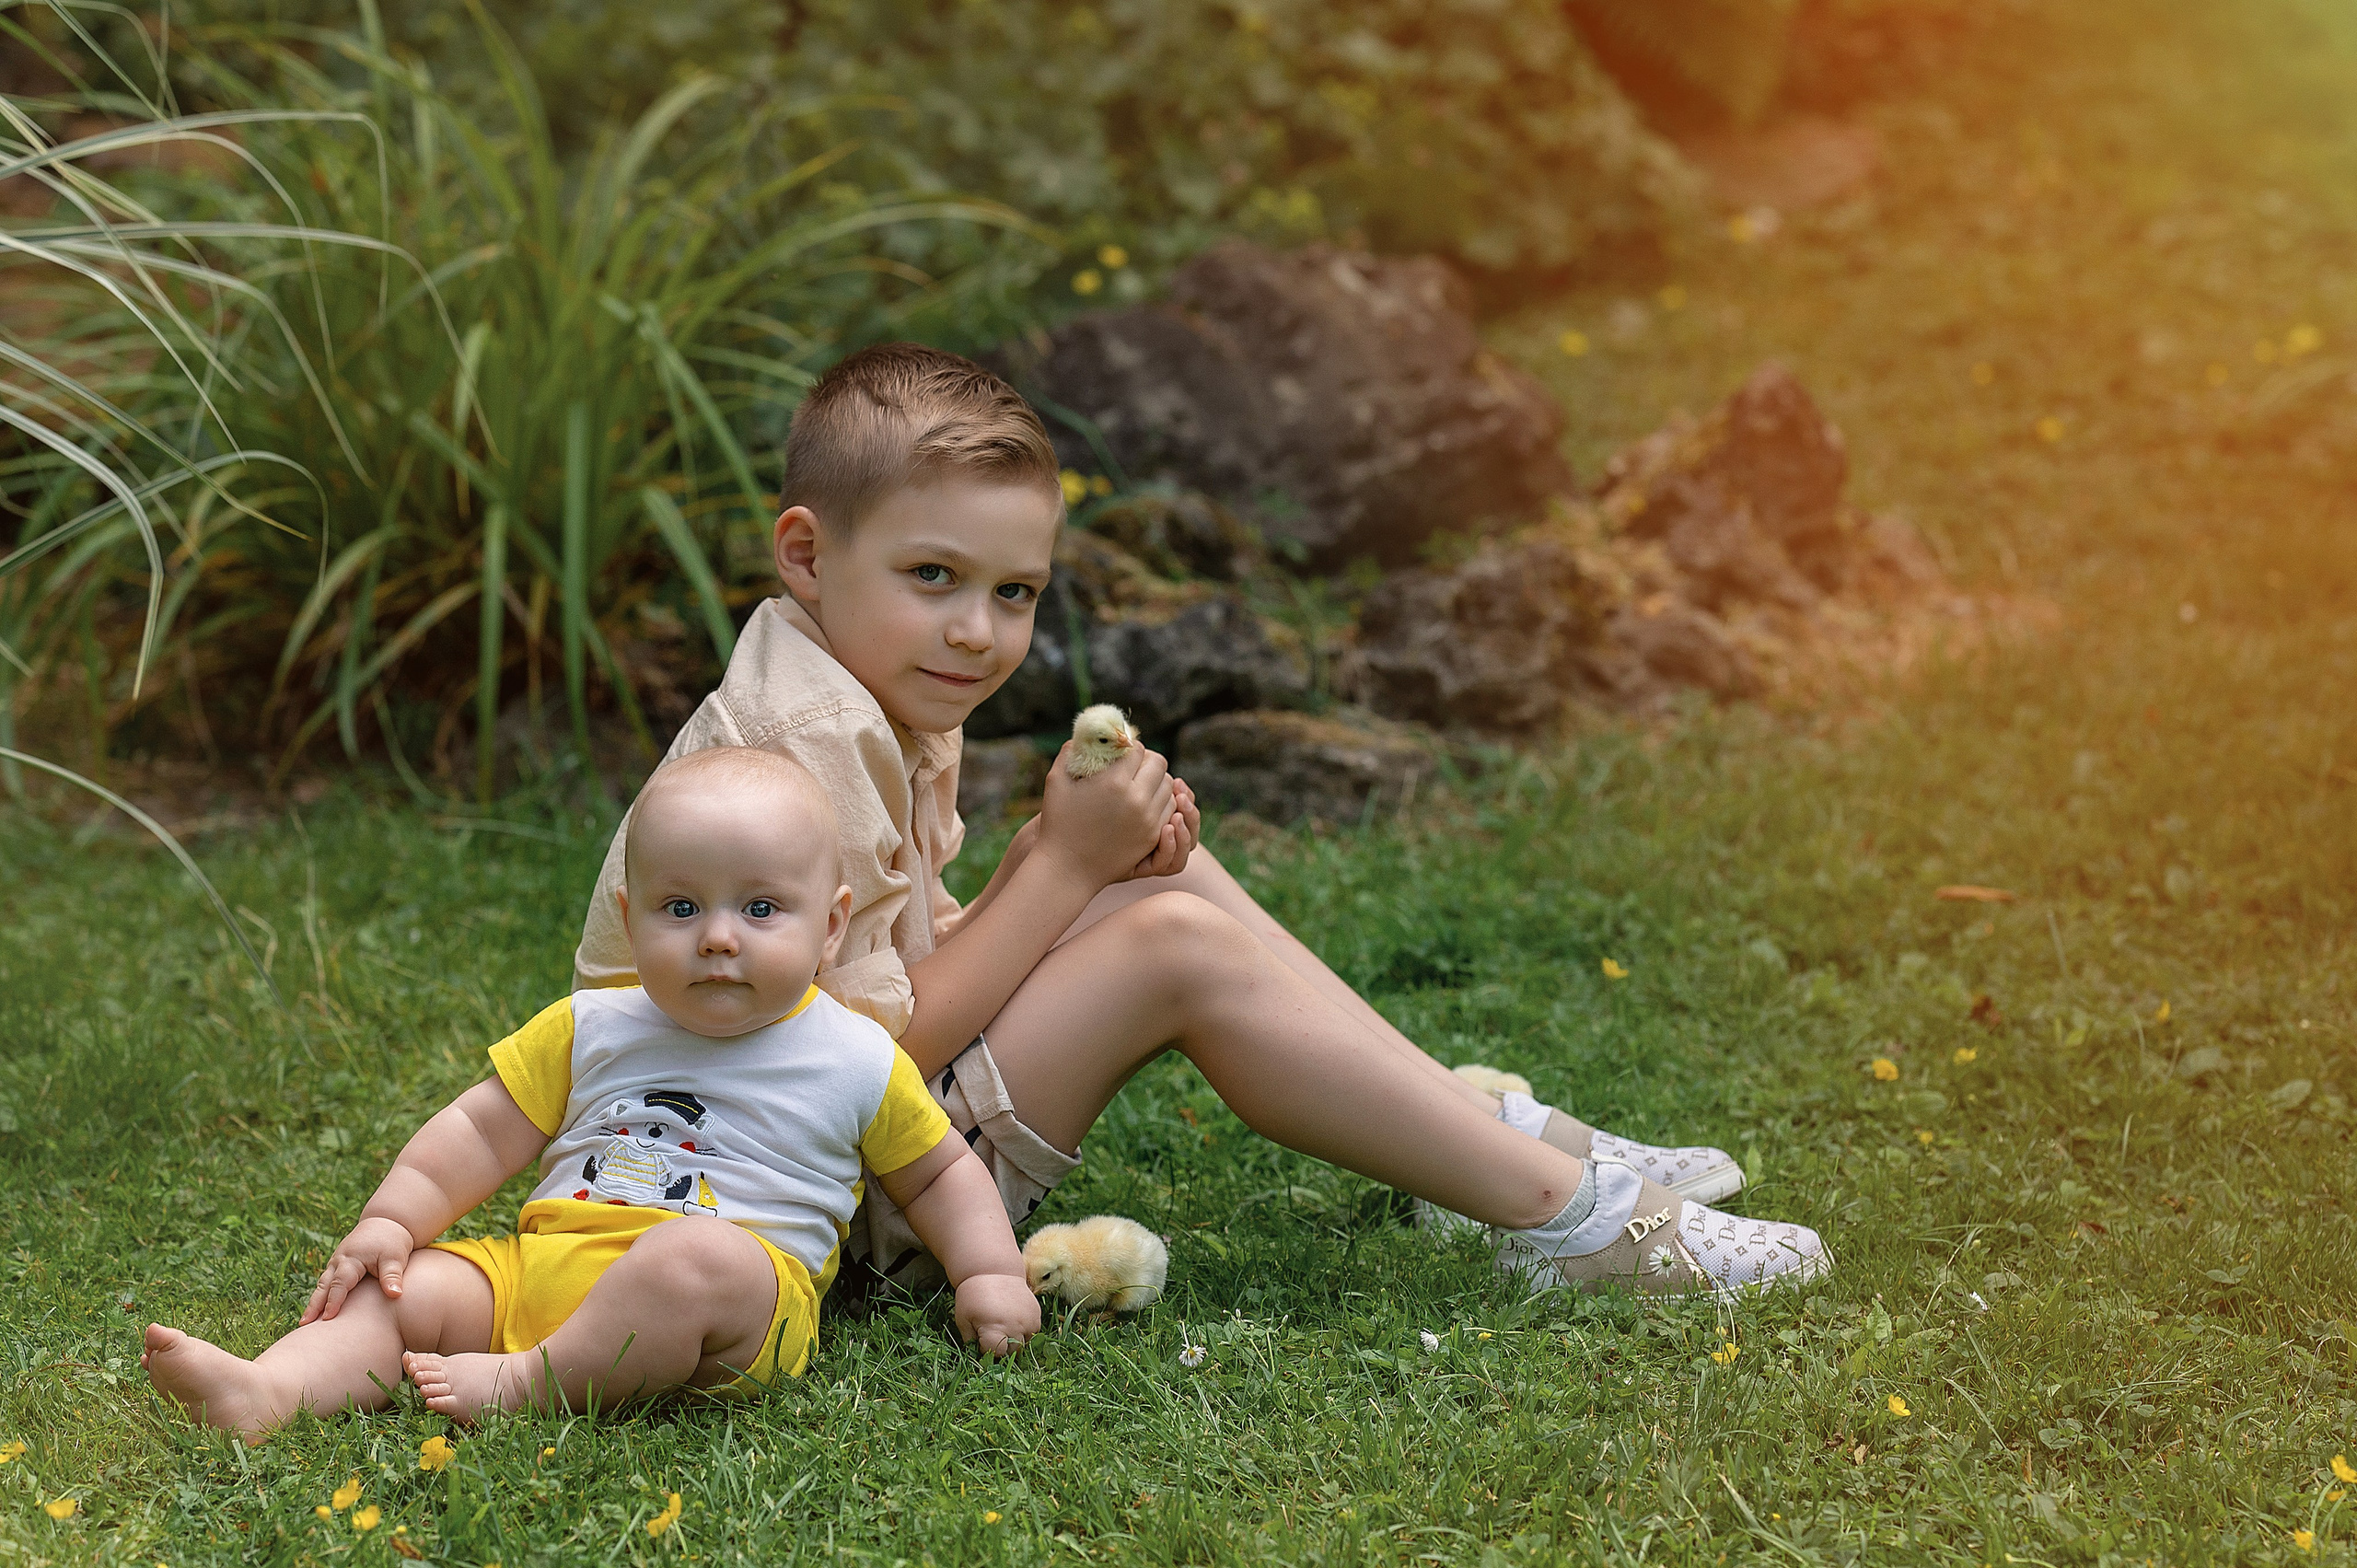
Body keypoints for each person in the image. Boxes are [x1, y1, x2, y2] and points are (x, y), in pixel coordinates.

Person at [574, 343, 1830, 1302]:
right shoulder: (808, 743)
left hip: (832, 1144)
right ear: (805, 550)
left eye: (1014, 593)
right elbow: (852, 1057)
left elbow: (900, 954)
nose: (977, 630)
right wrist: (1061, 866)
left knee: (1150, 889)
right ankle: (1574, 1220)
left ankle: (1468, 1140)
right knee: (1165, 938)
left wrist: (1063, 869)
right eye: (935, 577)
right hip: (777, 1213)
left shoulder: (867, 683)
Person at [142, 748, 1038, 1441]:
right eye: (680, 908)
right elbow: (481, 1128)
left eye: (761, 909)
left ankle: (531, 1384)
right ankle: (269, 1390)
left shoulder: (854, 1056)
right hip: (544, 1272)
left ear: (831, 922)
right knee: (403, 1288)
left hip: (732, 1306)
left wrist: (990, 1272)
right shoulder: (595, 1023)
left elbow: (939, 1175)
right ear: (630, 910)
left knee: (692, 1259)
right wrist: (393, 1219)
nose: (718, 938)